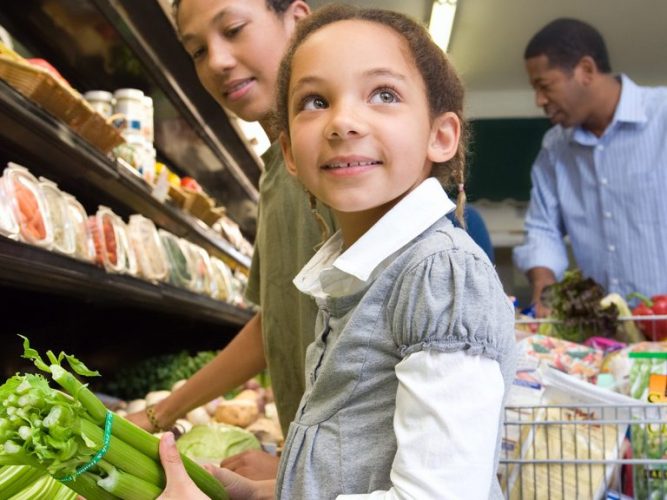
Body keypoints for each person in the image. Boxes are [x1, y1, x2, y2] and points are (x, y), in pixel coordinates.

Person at [158, 5, 517, 499]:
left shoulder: (439, 275)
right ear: (288, 152)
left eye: (383, 94)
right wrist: (264, 493)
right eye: (313, 101)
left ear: (441, 136)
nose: (342, 121)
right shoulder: (355, 274)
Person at [128, 0, 336, 480]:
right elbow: (276, 322)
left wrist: (296, 466)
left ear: (298, 19)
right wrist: (161, 413)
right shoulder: (275, 175)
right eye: (197, 50)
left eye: (234, 29)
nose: (217, 61)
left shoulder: (344, 162)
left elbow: (391, 340)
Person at [512, 18, 667, 316]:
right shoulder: (555, 148)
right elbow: (543, 228)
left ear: (586, 70)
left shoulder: (662, 117)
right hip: (605, 330)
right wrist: (545, 287)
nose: (539, 100)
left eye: (545, 86)